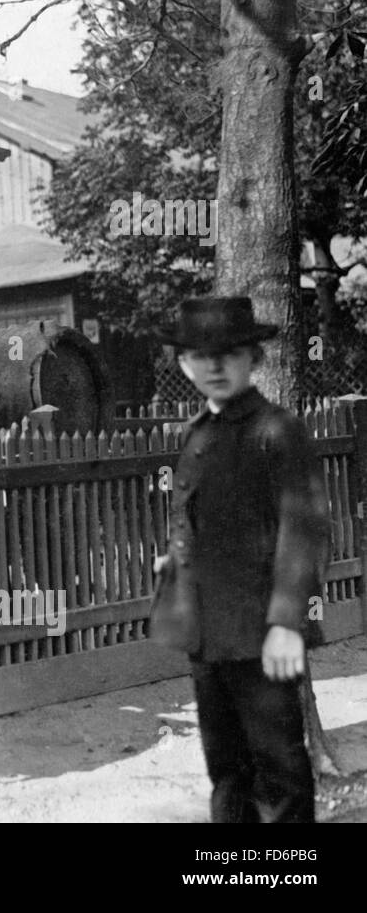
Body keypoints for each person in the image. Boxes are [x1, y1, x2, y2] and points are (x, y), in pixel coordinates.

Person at [150, 296, 328, 823]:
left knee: (279, 773)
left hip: (261, 635)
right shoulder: (197, 432)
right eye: (200, 356)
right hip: (208, 634)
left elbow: (305, 529)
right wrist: (175, 565)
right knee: (226, 770)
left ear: (254, 357)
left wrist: (286, 624)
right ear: (184, 364)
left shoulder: (277, 430)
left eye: (228, 353)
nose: (214, 366)